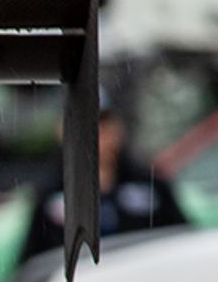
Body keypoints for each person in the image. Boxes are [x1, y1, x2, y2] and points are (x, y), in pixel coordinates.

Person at [18, 89, 183, 268]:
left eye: (104, 125)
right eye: (86, 126)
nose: (98, 135)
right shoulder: (51, 197)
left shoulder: (149, 185)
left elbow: (183, 240)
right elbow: (31, 266)